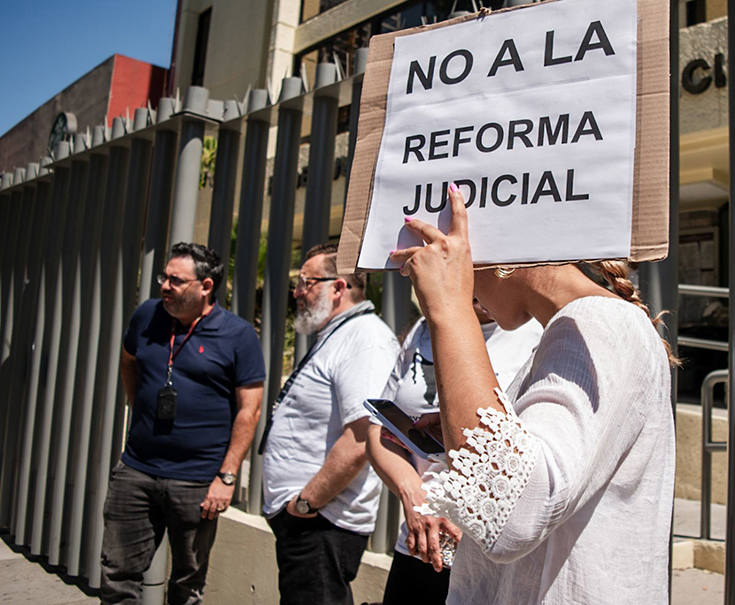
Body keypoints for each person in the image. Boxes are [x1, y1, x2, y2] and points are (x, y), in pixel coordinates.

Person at [388, 184, 677, 604]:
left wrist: (449, 309)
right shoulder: (577, 329)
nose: (467, 287)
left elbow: (511, 516)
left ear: (501, 254)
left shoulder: (598, 323)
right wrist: (458, 439)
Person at [101, 243, 266, 604]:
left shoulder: (237, 335)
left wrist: (226, 477)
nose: (164, 285)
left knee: (187, 583)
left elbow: (249, 410)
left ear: (205, 287)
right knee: (117, 573)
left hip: (197, 481)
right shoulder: (147, 316)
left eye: (176, 280)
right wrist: (136, 402)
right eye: (164, 276)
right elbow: (129, 361)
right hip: (137, 470)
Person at [367, 303, 543, 605]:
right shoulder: (428, 326)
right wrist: (415, 498)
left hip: (487, 557)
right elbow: (378, 431)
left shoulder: (537, 335)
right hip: (419, 541)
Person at [261, 243, 400, 605]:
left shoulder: (365, 339)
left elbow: (361, 438)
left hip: (321, 523)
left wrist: (305, 504)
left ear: (338, 287)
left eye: (306, 282)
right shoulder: (341, 334)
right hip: (310, 521)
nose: (297, 292)